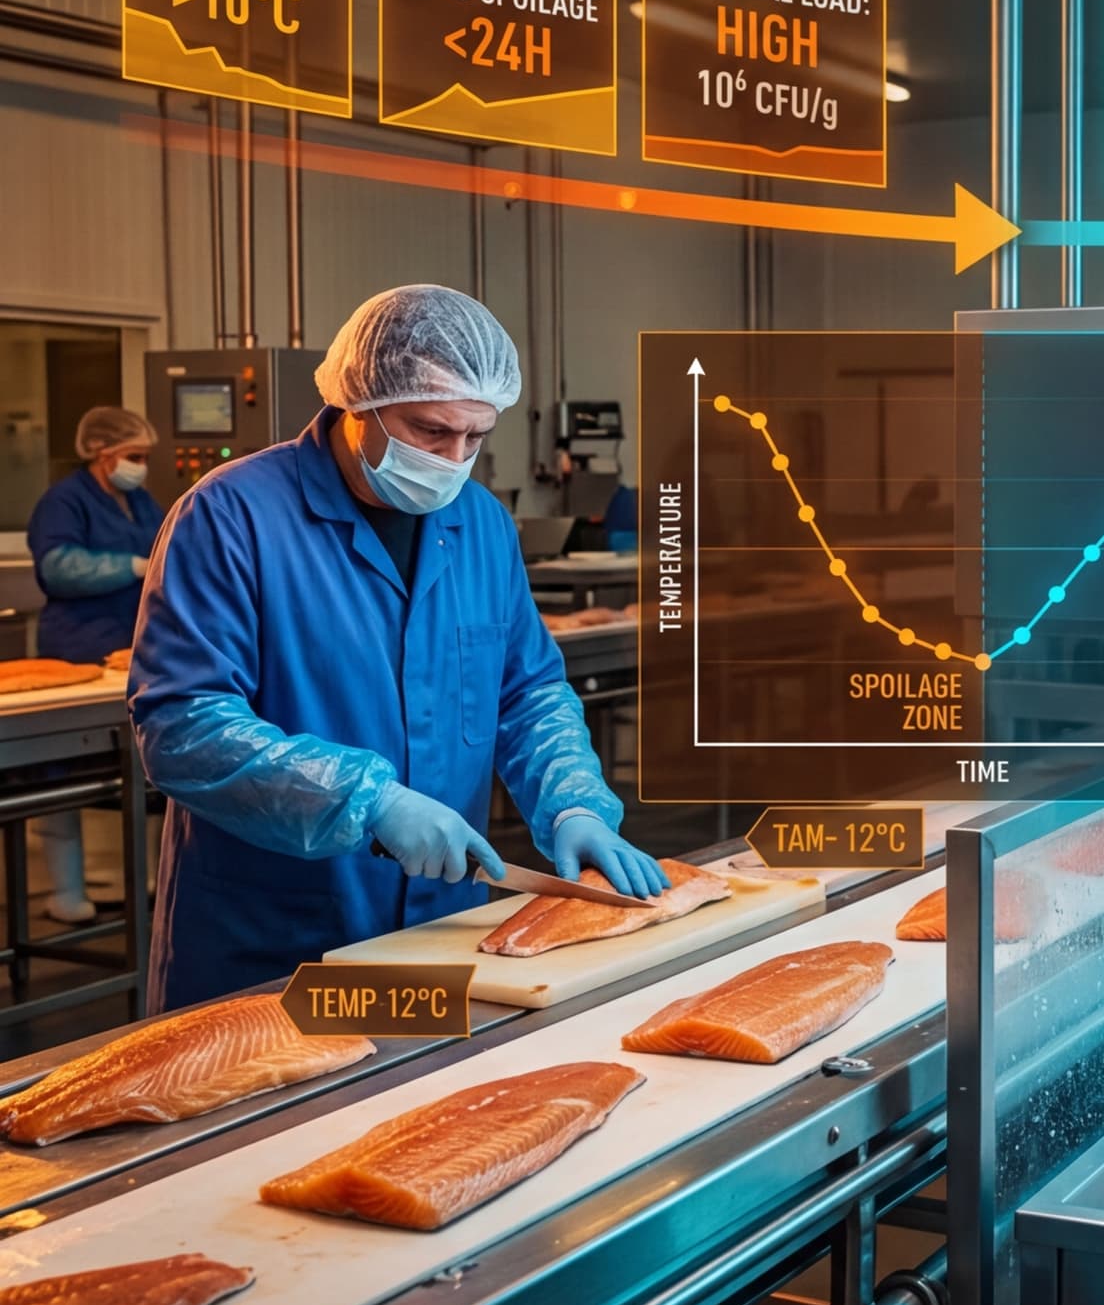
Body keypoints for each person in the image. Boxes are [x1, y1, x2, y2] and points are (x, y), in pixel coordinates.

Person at [128, 285, 668, 1010]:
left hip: (440, 928)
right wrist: (366, 798)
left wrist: (572, 804)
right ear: (360, 403)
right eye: (430, 431)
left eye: (476, 438)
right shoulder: (232, 515)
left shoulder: (479, 522)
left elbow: (527, 692)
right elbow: (182, 726)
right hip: (279, 933)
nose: (454, 460)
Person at [26, 406, 164, 921]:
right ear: (103, 455)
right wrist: (128, 566)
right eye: (133, 457)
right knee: (61, 769)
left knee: (144, 768)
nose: (139, 466)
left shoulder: (138, 500)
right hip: (77, 644)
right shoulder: (64, 501)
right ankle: (68, 890)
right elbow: (57, 567)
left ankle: (146, 881)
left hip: (131, 643)